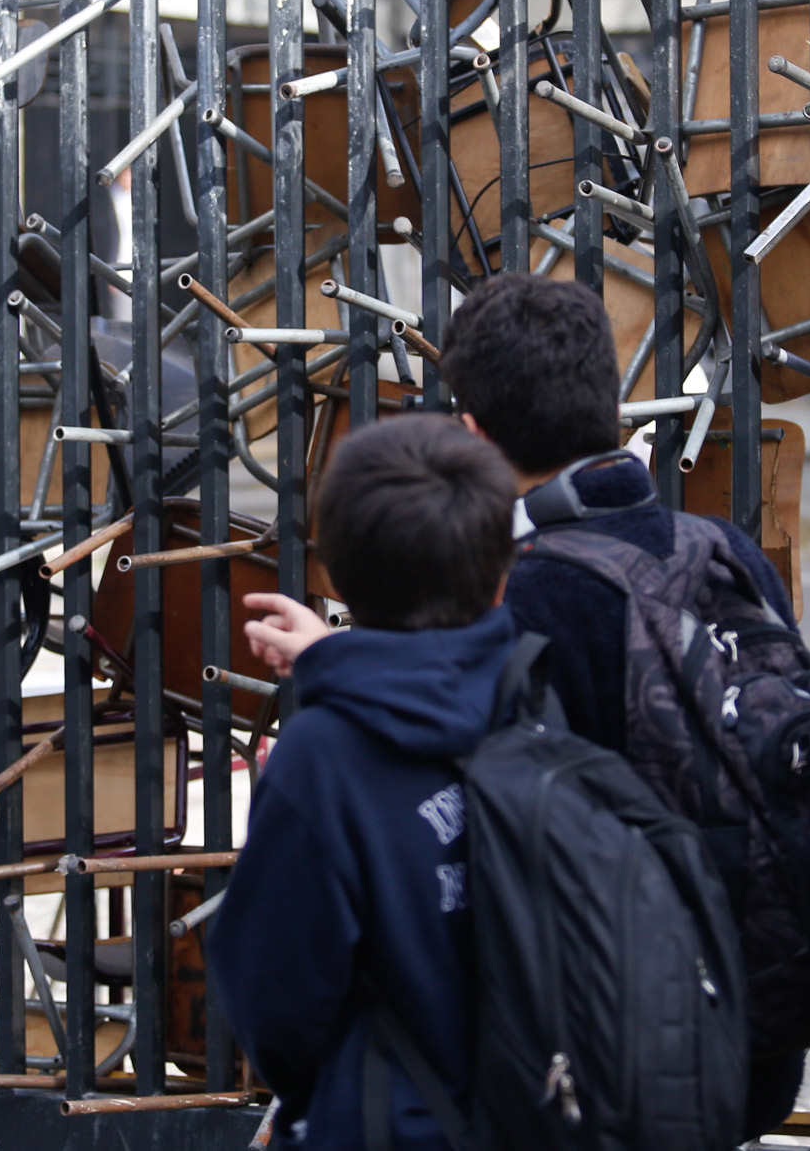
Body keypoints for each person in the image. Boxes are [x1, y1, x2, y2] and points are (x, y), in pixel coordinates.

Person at [441, 273, 807, 1136]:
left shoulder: (525, 596)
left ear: (474, 433)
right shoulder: (720, 548)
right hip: (746, 1024)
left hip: (601, 1048)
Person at [209, 415, 518, 1151]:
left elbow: (271, 999)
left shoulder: (324, 758)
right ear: (503, 574)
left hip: (383, 1117)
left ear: (336, 576)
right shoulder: (534, 695)